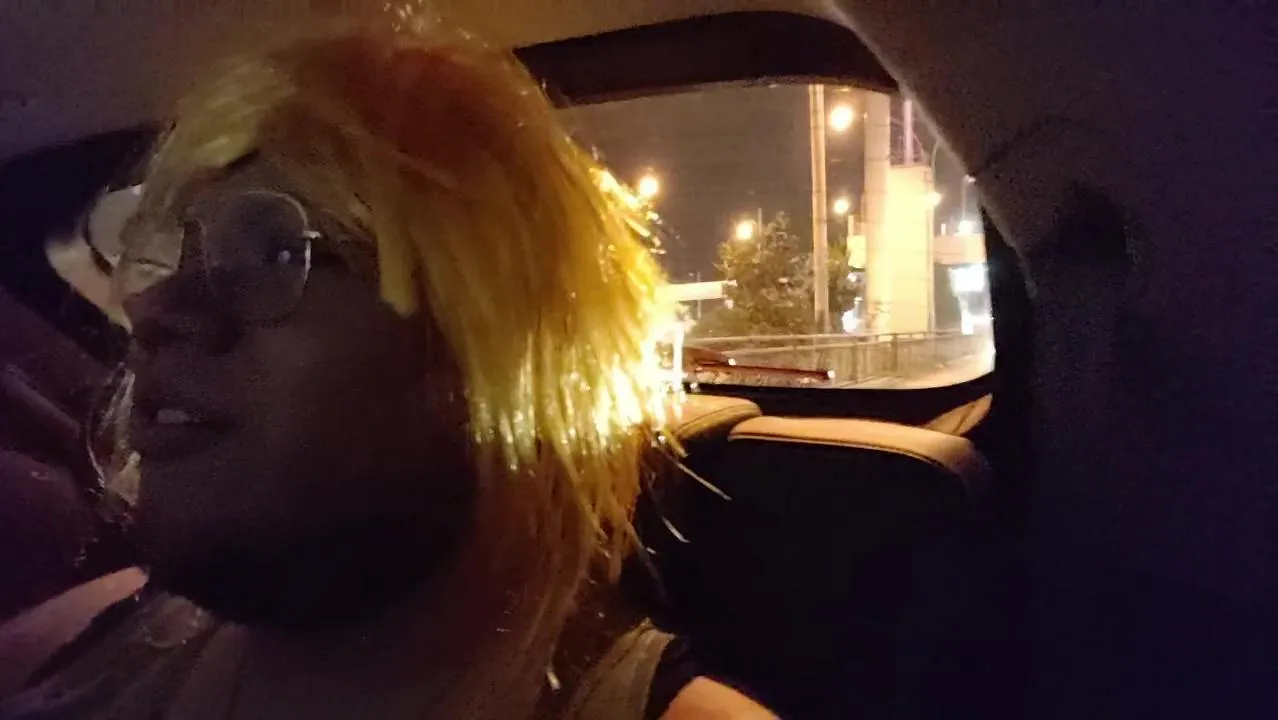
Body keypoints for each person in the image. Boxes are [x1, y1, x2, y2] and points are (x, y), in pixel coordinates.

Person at [0, 19, 774, 720]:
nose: (159, 309)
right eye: (170, 254)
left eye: (276, 252)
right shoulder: (98, 648)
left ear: (485, 354)